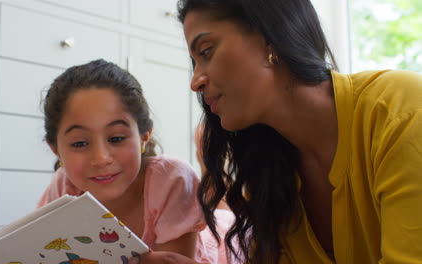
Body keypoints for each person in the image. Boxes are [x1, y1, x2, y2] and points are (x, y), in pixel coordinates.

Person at [134, 0, 422, 263]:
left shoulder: (399, 108)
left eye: (207, 51)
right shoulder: (270, 175)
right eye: (195, 62)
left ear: (270, 38)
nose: (195, 81)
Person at [36, 59, 234, 264]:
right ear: (55, 149)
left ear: (144, 136)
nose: (101, 158)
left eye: (116, 139)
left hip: (219, 245)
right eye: (79, 143)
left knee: (225, 217)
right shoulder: (63, 185)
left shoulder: (172, 178)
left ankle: (214, 169)